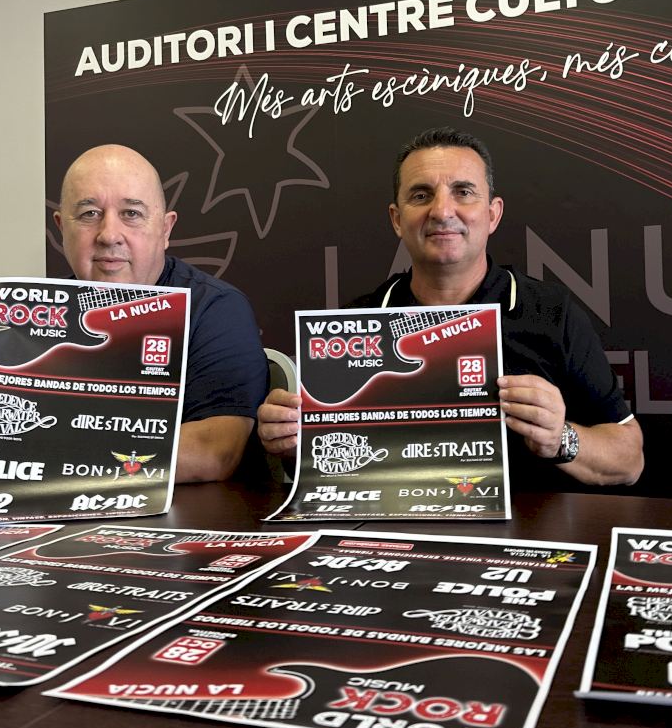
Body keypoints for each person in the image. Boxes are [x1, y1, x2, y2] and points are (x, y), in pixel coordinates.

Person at [257, 126, 643, 489]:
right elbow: (325, 464)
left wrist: (561, 438)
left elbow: (629, 459)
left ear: (492, 214)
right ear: (397, 219)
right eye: (421, 195)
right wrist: (292, 443)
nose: (442, 211)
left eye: (463, 192)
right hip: (391, 528)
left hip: (526, 533)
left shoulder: (551, 313)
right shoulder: (353, 326)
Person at [0, 144, 267, 484]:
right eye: (89, 214)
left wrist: (33, 456)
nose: (109, 234)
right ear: (61, 228)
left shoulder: (214, 308)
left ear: (165, 228)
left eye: (131, 214)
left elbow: (214, 453)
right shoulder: (32, 313)